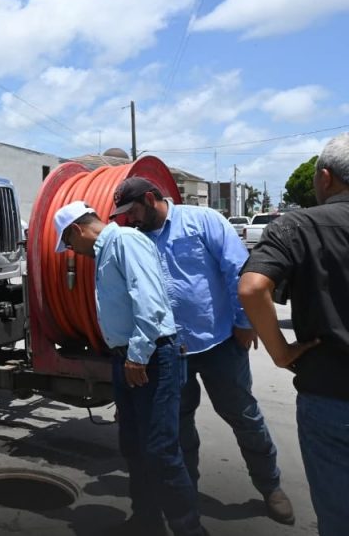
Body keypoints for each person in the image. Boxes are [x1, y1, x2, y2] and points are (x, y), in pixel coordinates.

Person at [111, 177, 293, 524]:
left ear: (149, 199)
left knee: (243, 415)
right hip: (169, 353)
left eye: (132, 210)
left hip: (219, 343)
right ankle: (187, 494)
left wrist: (245, 321)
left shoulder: (202, 221)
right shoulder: (135, 238)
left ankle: (270, 485)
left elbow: (237, 268)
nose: (128, 218)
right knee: (178, 426)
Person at [54, 201, 205, 536]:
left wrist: (137, 356)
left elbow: (149, 303)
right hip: (129, 356)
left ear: (76, 230)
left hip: (149, 356)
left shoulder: (125, 241)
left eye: (69, 243)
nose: (72, 251)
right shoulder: (109, 249)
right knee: (134, 446)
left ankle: (189, 529)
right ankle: (145, 522)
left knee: (160, 449)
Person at [238, 133, 349, 536]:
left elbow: (252, 287)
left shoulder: (298, 225)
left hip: (331, 395)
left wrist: (281, 353)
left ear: (325, 177)